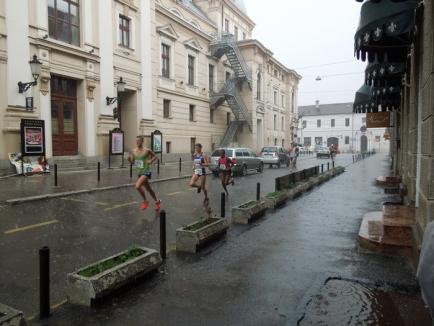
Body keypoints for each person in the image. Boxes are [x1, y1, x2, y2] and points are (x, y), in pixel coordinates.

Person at [128, 136, 161, 211]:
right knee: (149, 189)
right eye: (136, 141)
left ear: (142, 141)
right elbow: (133, 163)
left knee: (137, 186)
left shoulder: (147, 150)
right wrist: (129, 160)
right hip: (139, 172)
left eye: (139, 141)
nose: (137, 142)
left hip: (146, 171)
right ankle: (157, 202)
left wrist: (150, 161)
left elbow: (155, 156)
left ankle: (145, 201)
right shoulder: (134, 151)